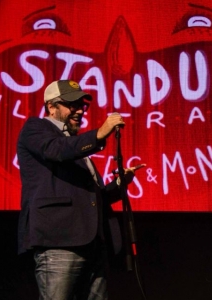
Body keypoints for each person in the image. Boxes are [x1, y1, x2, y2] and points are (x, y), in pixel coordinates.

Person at [16, 79, 142, 300]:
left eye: (81, 105)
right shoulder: (36, 129)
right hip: (59, 242)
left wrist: (119, 184)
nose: (79, 111)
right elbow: (56, 150)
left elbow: (92, 198)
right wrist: (98, 134)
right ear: (51, 106)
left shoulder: (74, 145)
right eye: (71, 104)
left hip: (92, 245)